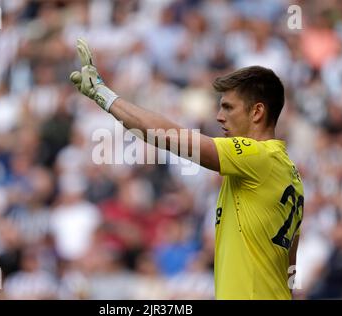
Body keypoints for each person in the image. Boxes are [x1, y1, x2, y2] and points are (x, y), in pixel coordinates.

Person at [69, 39, 304, 300]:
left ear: (257, 112)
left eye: (228, 107)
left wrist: (104, 95)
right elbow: (290, 267)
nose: (219, 116)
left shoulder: (257, 156)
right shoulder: (290, 175)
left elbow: (169, 137)